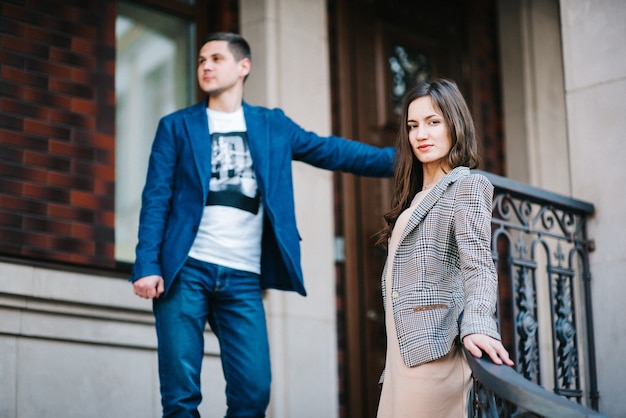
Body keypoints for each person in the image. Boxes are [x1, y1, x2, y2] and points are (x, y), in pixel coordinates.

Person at [130, 31, 394, 418]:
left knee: (254, 393)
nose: (205, 65)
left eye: (216, 59)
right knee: (180, 397)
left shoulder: (271, 125)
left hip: (242, 278)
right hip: (186, 271)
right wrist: (148, 264)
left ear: (243, 67)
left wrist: (403, 159)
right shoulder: (177, 126)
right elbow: (156, 198)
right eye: (201, 59)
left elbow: (332, 151)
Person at [374, 78, 514, 418]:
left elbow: (479, 265)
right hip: (400, 358)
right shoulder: (414, 200)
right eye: (413, 125)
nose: (421, 134)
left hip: (432, 361)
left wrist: (479, 323)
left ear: (455, 124)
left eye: (433, 122)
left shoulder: (466, 185)